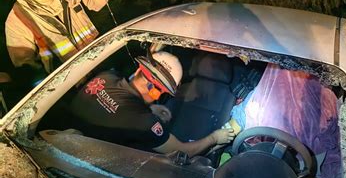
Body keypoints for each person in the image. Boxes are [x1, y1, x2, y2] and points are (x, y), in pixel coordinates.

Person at [70, 50, 235, 156]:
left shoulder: (106, 76)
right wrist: (214, 138)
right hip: (93, 159)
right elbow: (181, 152)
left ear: (138, 70)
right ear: (155, 91)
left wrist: (148, 107)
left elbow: (118, 107)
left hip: (70, 139)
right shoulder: (144, 123)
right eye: (161, 93)